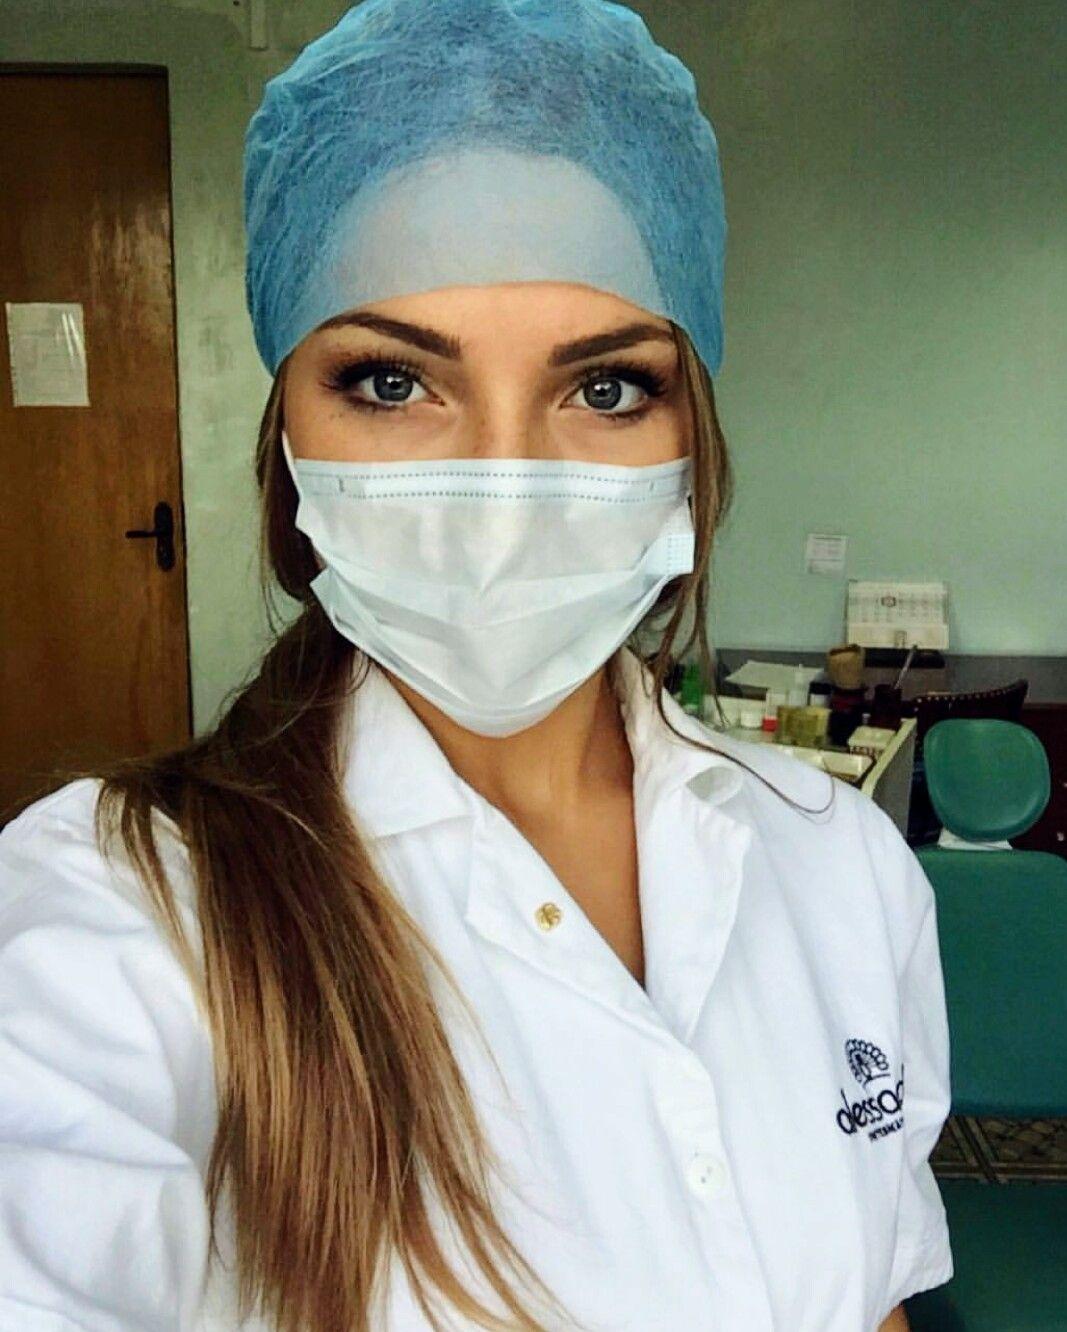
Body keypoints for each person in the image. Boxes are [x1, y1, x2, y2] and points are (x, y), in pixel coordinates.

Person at [0, 2, 953, 1330]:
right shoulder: (117, 918)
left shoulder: (838, 861)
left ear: (692, 435)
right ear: (289, 437)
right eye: (394, 384)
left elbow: (872, 1300)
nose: (505, 491)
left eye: (605, 389)